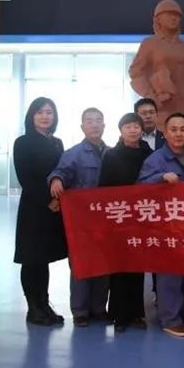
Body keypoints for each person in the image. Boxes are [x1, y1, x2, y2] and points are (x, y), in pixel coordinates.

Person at [138, 112, 184, 337]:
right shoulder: (156, 159)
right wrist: (160, 178)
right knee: (170, 275)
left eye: (183, 130)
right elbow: (140, 187)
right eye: (174, 130)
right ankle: (170, 318)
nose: (179, 134)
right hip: (167, 226)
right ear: (165, 133)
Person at [47, 107, 110, 327]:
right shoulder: (73, 154)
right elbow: (60, 172)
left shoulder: (111, 153)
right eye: (89, 121)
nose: (94, 125)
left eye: (98, 120)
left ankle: (99, 309)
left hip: (107, 220)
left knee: (104, 264)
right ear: (82, 127)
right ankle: (80, 311)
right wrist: (56, 180)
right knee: (81, 265)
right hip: (81, 221)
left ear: (104, 125)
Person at [13, 97, 66, 326]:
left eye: (49, 112)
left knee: (43, 258)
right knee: (31, 258)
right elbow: (25, 178)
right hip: (34, 207)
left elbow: (63, 171)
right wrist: (48, 200)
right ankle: (33, 308)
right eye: (40, 112)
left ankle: (44, 304)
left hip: (54, 208)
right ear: (31, 116)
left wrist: (58, 200)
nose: (45, 116)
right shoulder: (22, 142)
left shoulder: (57, 143)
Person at [98, 113, 153, 332]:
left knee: (137, 267)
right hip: (119, 217)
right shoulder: (111, 155)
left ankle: (137, 314)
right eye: (128, 126)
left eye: (136, 126)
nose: (133, 130)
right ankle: (119, 315)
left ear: (141, 129)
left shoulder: (149, 154)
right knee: (119, 266)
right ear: (121, 130)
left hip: (142, 217)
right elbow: (103, 187)